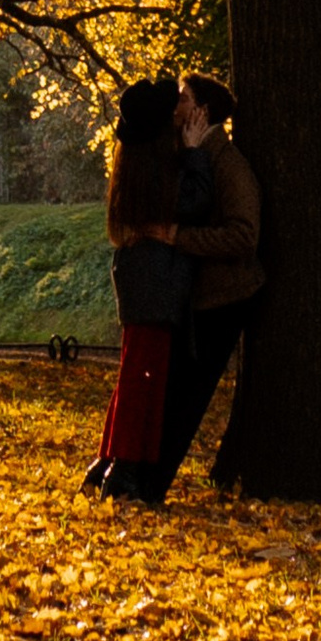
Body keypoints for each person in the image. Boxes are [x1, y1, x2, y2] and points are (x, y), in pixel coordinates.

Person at [143, 73, 264, 502]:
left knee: (186, 398)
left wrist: (179, 237)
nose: (176, 106)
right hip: (200, 297)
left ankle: (151, 487)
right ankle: (145, 483)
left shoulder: (229, 164)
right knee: (173, 393)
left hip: (225, 299)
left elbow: (243, 236)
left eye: (184, 99)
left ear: (202, 112)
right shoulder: (197, 153)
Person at [84, 76, 204, 503]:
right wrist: (193, 155)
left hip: (141, 276)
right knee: (145, 376)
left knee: (134, 372)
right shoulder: (162, 169)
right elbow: (191, 204)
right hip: (157, 280)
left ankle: (110, 461)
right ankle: (126, 468)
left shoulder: (133, 164)